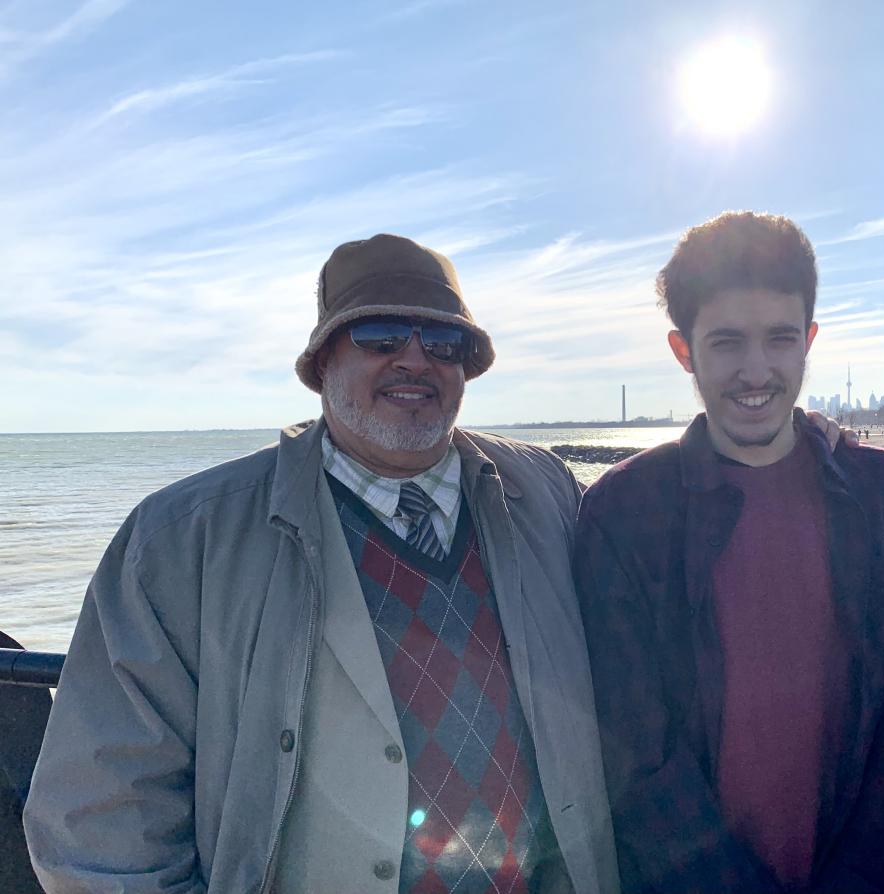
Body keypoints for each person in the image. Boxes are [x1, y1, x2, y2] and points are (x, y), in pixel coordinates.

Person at [24, 234, 622, 894]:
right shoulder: (182, 539)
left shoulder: (546, 494)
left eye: (444, 342)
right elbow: (100, 814)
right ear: (321, 361)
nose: (415, 360)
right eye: (382, 336)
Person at [573, 212, 884, 894]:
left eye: (779, 339)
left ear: (808, 340)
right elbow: (634, 754)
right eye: (726, 343)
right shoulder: (624, 515)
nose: (756, 371)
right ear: (683, 350)